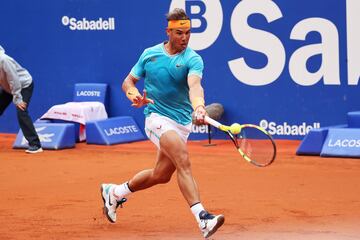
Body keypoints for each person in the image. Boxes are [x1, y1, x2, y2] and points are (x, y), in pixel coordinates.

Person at [100, 8, 224, 238]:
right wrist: (133, 95)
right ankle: (203, 218)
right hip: (156, 118)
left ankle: (114, 192)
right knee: (183, 159)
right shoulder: (150, 54)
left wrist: (198, 105)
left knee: (161, 175)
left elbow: (195, 85)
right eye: (179, 33)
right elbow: (128, 81)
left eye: (188, 33)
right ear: (168, 32)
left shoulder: (193, 59)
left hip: (181, 123)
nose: (184, 38)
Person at [0, 45, 42, 153]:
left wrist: (18, 98)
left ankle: (35, 145)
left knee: (21, 111)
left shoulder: (4, 60)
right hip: (7, 87)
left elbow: (14, 80)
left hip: (23, 85)